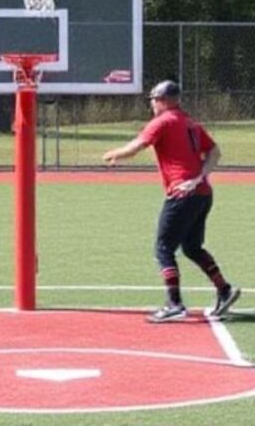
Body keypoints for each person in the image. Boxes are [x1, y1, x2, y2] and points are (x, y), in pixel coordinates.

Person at [102, 80, 240, 322]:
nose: (152, 105)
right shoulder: (190, 122)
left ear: (163, 100)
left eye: (154, 100)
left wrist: (115, 154)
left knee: (164, 248)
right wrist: (200, 177)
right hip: (202, 193)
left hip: (181, 194)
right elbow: (215, 152)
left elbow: (139, 145)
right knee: (192, 247)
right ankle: (224, 290)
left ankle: (174, 304)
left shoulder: (163, 121)